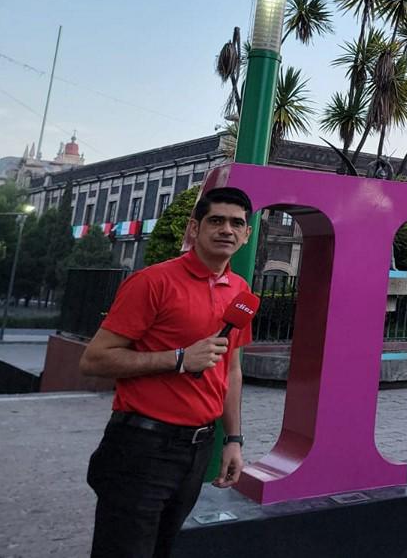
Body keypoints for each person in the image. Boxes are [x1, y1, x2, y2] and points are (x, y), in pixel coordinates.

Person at [80, 186, 255, 558]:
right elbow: (94, 360)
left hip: (198, 449)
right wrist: (177, 359)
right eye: (216, 220)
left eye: (236, 223)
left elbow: (232, 370)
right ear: (194, 228)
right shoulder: (153, 282)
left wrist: (233, 440)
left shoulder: (240, 290)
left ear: (247, 234)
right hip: (141, 447)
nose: (227, 229)